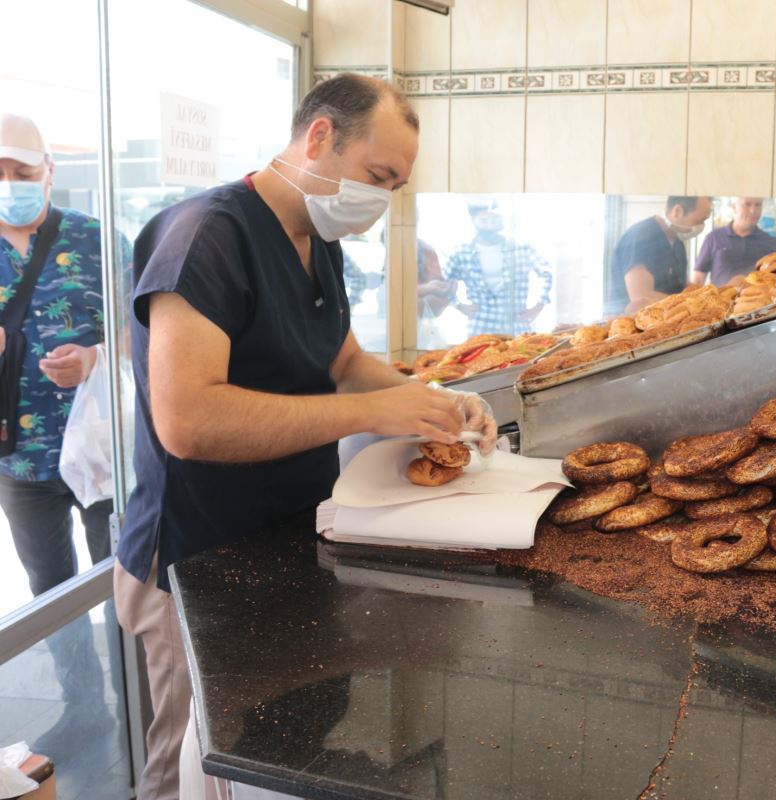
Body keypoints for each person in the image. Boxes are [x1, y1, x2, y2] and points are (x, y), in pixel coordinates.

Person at [114, 74, 497, 800]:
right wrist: (368, 416)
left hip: (281, 543)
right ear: (319, 137)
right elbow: (189, 420)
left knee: (284, 743)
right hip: (195, 562)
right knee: (201, 760)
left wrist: (435, 402)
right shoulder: (207, 236)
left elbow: (343, 362)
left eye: (395, 188)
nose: (378, 203)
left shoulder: (315, 243)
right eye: (377, 177)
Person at [0, 112, 116, 744]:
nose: (8, 183)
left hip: (100, 451)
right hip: (18, 461)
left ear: (50, 172)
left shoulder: (96, 238)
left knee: (122, 579)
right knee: (51, 591)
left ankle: (141, 698)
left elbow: (148, 332)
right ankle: (86, 709)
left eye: (21, 171)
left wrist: (95, 358)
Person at [444, 199, 553, 337]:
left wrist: (538, 307)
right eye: (484, 220)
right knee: (478, 359)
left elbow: (547, 273)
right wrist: (459, 305)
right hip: (480, 325)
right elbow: (443, 282)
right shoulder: (461, 251)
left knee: (522, 358)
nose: (489, 224)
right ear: (473, 220)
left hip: (516, 324)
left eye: (494, 219)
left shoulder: (521, 248)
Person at [605, 195, 712, 316]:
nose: (701, 227)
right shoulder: (641, 237)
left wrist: (709, 296)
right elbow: (642, 297)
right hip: (631, 325)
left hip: (667, 323)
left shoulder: (677, 242)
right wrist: (688, 304)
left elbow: (681, 285)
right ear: (677, 211)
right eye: (699, 221)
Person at [692, 197, 776, 287]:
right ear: (734, 207)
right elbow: (698, 279)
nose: (753, 211)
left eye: (758, 205)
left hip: (761, 301)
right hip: (720, 300)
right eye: (747, 204)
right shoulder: (714, 238)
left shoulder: (773, 244)